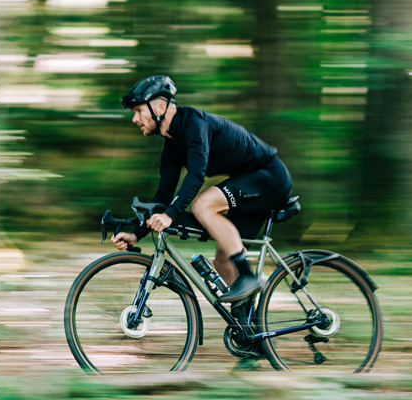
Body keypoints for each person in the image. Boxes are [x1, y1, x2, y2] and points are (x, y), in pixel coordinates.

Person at [111, 75, 293, 303]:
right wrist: (136, 234)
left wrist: (170, 215)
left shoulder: (194, 123)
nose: (134, 119)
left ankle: (248, 276)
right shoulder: (172, 146)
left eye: (138, 111)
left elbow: (196, 174)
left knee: (203, 205)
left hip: (269, 177)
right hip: (249, 186)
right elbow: (163, 197)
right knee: (222, 261)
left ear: (160, 106)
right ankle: (250, 328)